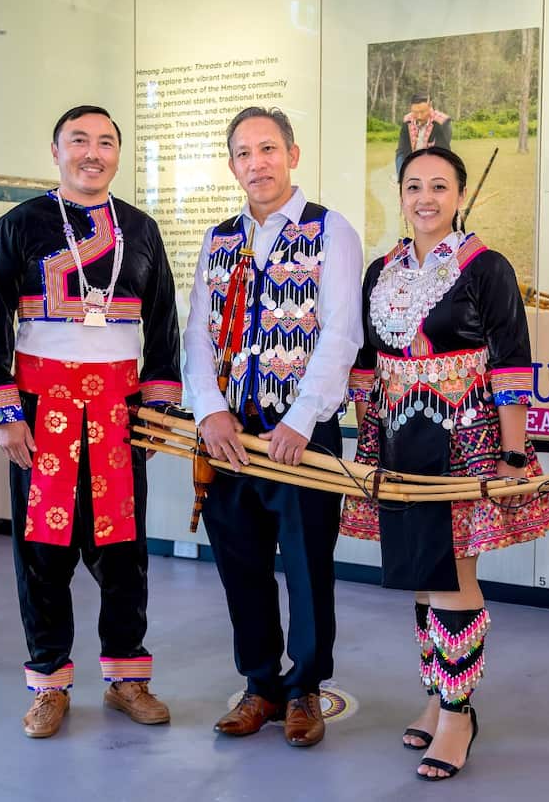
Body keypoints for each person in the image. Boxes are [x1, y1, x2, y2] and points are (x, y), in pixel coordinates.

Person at [341, 146, 549, 780]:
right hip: (399, 435)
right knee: (420, 568)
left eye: (439, 186)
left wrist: (513, 455)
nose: (425, 197)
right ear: (400, 195)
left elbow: (512, 361)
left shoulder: (486, 267)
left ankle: (459, 713)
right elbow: (363, 361)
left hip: (465, 437)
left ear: (459, 194)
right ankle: (436, 696)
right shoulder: (382, 268)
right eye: (413, 186)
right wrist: (366, 437)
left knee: (453, 573)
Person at [0, 104, 182, 738]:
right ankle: (49, 682)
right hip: (43, 416)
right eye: (79, 140)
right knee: (42, 553)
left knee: (124, 553)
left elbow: (165, 325)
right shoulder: (20, 226)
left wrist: (154, 408)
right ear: (56, 150)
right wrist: (6, 414)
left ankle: (126, 679)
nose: (93, 152)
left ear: (118, 154)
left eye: (106, 142)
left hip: (118, 418)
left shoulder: (142, 232)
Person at [184, 107, 363, 748]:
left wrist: (300, 419)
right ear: (232, 164)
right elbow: (197, 337)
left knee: (309, 567)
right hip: (230, 437)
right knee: (241, 565)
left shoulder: (330, 231)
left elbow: (342, 334)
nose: (255, 162)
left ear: (293, 153)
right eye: (242, 152)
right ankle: (260, 686)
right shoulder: (220, 239)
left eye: (267, 148)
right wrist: (208, 409)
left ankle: (306, 691)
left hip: (299, 436)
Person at [395, 95, 452, 177]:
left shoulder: (442, 122)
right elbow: (402, 151)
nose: (419, 116)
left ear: (430, 106)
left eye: (422, 112)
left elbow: (443, 153)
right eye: (415, 112)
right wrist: (402, 174)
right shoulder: (407, 120)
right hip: (412, 168)